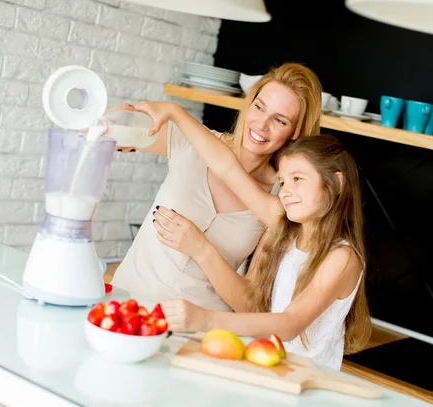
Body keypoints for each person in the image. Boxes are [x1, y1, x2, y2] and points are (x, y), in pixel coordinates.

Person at [129, 100, 371, 369]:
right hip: (272, 368)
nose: (286, 190)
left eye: (298, 179)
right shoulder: (285, 228)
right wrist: (175, 112)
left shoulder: (342, 257)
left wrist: (206, 319)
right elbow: (227, 166)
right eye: (284, 180)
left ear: (336, 184)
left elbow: (290, 323)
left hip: (310, 381)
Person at [110, 63, 323, 311]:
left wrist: (202, 250)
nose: (261, 125)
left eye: (279, 120)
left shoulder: (282, 200)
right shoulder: (189, 141)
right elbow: (110, 127)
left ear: (295, 133)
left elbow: (249, 304)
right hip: (126, 307)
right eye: (259, 107)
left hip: (201, 330)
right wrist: (113, 127)